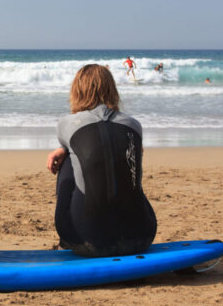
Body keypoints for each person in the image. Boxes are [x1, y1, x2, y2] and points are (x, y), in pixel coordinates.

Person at [46, 64, 156, 257]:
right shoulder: (134, 125)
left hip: (86, 240)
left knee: (68, 159)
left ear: (77, 91)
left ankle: (66, 239)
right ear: (112, 89)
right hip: (142, 236)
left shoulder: (66, 124)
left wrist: (62, 149)